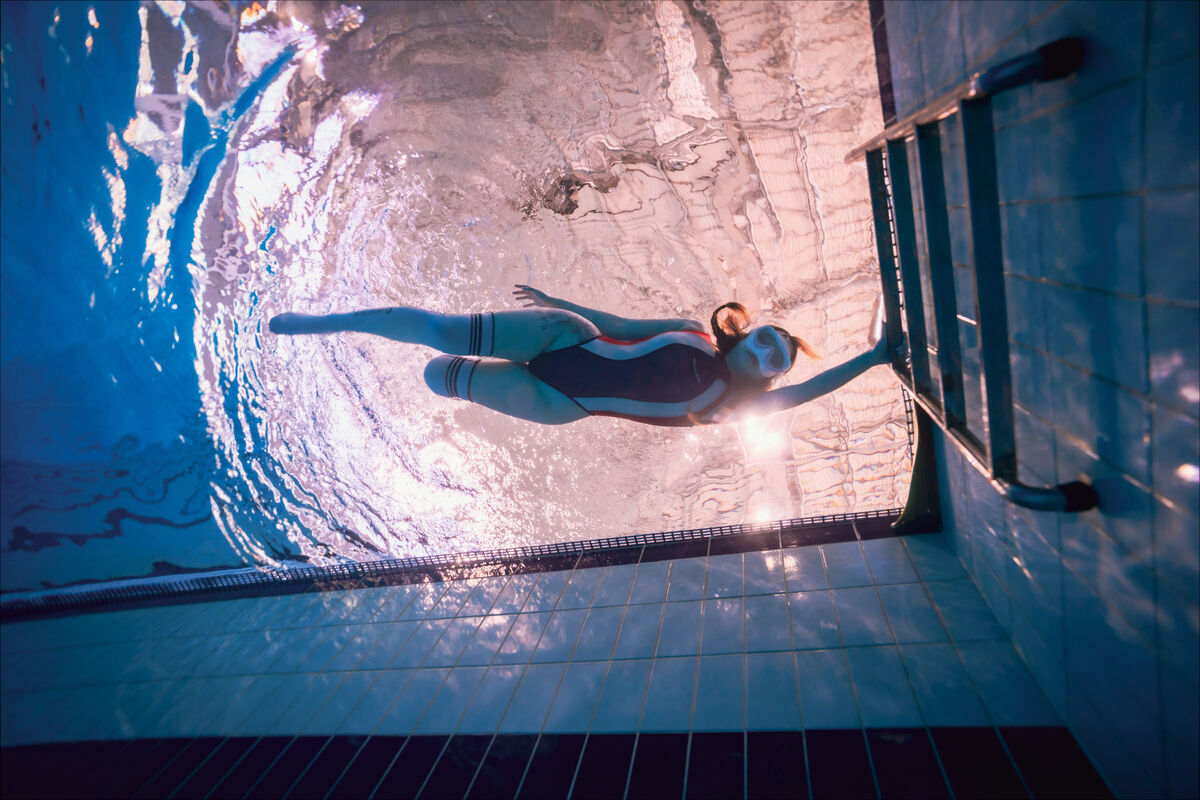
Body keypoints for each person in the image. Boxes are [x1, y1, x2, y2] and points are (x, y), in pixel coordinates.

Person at [268, 285, 890, 426]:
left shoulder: (733, 409)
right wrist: (553, 301)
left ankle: (415, 380)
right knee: (440, 331)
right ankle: (322, 323)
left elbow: (809, 393)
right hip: (564, 337)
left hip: (562, 402)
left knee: (438, 375)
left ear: (773, 375)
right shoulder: (687, 330)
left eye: (776, 357)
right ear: (745, 335)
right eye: (767, 337)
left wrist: (873, 357)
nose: (766, 351)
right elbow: (616, 324)